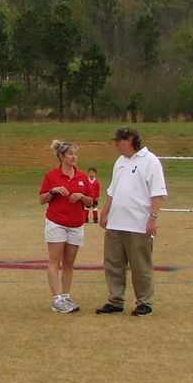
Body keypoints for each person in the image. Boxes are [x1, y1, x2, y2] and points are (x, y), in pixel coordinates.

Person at [96, 126, 167, 317]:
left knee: (140, 266)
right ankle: (115, 300)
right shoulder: (119, 162)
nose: (116, 145)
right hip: (116, 223)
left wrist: (152, 218)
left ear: (129, 141)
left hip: (137, 224)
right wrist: (105, 212)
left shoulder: (150, 161)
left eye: (118, 141)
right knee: (113, 264)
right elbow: (113, 191)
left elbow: (158, 193)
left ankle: (145, 302)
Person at [39, 140, 93, 314]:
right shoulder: (52, 175)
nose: (74, 157)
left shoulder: (83, 177)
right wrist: (53, 191)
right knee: (54, 261)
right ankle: (57, 299)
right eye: (70, 154)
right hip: (56, 222)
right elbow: (42, 199)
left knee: (69, 262)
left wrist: (81, 197)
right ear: (61, 156)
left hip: (76, 224)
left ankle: (66, 296)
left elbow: (91, 201)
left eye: (75, 154)